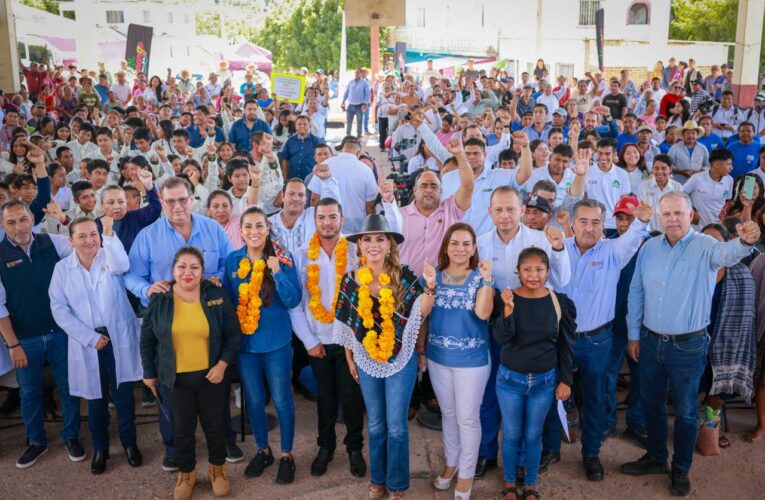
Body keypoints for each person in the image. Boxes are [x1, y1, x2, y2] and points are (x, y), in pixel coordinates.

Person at [622, 191, 760, 496]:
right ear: (659, 216)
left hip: (688, 346)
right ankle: (657, 457)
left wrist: (747, 241)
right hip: (649, 342)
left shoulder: (706, 245)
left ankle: (680, 467)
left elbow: (729, 254)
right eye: (667, 214)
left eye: (678, 213)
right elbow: (635, 293)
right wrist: (633, 335)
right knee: (651, 404)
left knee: (685, 411)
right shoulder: (648, 249)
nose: (672, 219)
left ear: (691, 215)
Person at [125, 177, 239, 470]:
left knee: (216, 382)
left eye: (182, 199)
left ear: (192, 199)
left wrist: (220, 277)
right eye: (170, 201)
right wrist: (145, 289)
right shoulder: (148, 236)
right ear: (161, 202)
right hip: (168, 320)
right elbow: (131, 275)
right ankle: (173, 448)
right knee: (171, 388)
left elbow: (231, 264)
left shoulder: (212, 228)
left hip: (208, 318)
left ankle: (224, 439)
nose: (177, 206)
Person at [542, 197, 651, 481]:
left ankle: (591, 454)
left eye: (596, 222)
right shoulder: (556, 248)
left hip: (597, 341)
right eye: (583, 221)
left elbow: (637, 233)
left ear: (605, 225)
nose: (589, 228)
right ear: (572, 223)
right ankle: (551, 448)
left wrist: (642, 219)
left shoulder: (615, 251)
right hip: (558, 339)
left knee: (595, 399)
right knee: (553, 396)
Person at [474, 186, 570, 480]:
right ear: (490, 211)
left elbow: (562, 279)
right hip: (495, 326)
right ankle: (488, 452)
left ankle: (529, 458)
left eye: (511, 209)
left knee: (536, 396)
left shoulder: (540, 239)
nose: (505, 215)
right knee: (490, 393)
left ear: (522, 211)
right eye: (499, 209)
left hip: (534, 330)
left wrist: (558, 248)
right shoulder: (480, 243)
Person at [333, 214, 424, 499]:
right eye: (367, 239)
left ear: (389, 245)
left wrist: (420, 351)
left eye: (380, 239)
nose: (373, 244)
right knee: (374, 423)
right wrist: (350, 359)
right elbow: (347, 324)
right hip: (365, 358)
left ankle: (397, 484)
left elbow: (422, 316)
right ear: (359, 245)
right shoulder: (350, 281)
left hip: (401, 358)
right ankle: (378, 479)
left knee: (396, 426)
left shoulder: (405, 277)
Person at [141, 246, 241, 500]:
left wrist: (222, 365)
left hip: (212, 377)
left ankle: (218, 471)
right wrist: (149, 373)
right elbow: (147, 340)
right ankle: (187, 474)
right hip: (175, 380)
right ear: (173, 271)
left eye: (194, 267)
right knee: (182, 430)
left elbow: (233, 335)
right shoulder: (160, 298)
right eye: (182, 267)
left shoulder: (215, 294)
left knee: (215, 426)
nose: (188, 272)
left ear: (202, 271)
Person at [48, 216, 142, 474]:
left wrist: (109, 236)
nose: (89, 240)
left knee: (123, 396)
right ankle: (101, 448)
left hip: (117, 338)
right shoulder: (62, 269)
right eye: (82, 236)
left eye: (93, 234)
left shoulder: (109, 255)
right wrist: (89, 337)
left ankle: (130, 444)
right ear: (71, 240)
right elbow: (59, 309)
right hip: (88, 343)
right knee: (96, 399)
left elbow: (122, 264)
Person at [0, 200, 85, 469]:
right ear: (3, 225)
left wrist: (63, 219)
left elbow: (84, 243)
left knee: (68, 387)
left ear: (32, 218)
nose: (18, 226)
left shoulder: (54, 243)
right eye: (11, 222)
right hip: (24, 339)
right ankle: (36, 440)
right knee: (28, 392)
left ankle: (71, 436)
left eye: (23, 219)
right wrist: (13, 344)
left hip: (61, 332)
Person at [288, 197, 368, 478]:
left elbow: (366, 298)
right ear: (315, 220)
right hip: (319, 341)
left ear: (342, 219)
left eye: (333, 217)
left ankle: (355, 449)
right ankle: (326, 448)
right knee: (326, 399)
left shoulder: (358, 251)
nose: (327, 222)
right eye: (321, 217)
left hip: (351, 342)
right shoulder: (301, 254)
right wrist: (309, 341)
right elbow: (296, 303)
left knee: (352, 398)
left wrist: (358, 339)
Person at [222, 207, 302, 484]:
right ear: (240, 231)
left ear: (268, 228)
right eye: (248, 227)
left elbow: (293, 300)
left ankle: (287, 455)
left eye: (259, 226)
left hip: (277, 342)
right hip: (246, 345)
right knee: (253, 400)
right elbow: (229, 301)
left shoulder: (283, 257)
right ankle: (263, 449)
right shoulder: (233, 261)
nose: (254, 232)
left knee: (281, 399)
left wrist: (278, 272)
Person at [493, 247, 575, 500]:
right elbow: (500, 339)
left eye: (539, 269)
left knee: (532, 434)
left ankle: (530, 485)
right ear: (518, 271)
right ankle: (509, 484)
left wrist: (565, 380)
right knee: (512, 433)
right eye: (527, 269)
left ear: (548, 271)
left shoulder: (559, 302)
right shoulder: (506, 298)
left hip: (544, 381)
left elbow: (565, 344)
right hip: (510, 380)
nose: (533, 275)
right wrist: (507, 312)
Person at [420, 223, 495, 500]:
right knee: (448, 414)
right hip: (439, 358)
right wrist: (421, 351)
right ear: (446, 247)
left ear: (474, 248)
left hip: (472, 360)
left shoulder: (481, 278)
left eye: (466, 244)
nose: (460, 249)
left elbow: (484, 313)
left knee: (467, 417)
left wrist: (487, 280)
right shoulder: (433, 277)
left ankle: (466, 474)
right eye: (455, 243)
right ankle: (451, 463)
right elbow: (424, 317)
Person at [398, 138, 473, 275]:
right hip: (406, 287)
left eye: (434, 186)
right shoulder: (399, 215)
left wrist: (460, 154)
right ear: (415, 190)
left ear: (441, 191)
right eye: (424, 186)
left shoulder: (451, 209)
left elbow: (468, 186)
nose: (428, 190)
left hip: (443, 286)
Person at [683, 147, 734, 228]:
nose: (731, 168)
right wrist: (691, 209)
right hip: (697, 227)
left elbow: (728, 201)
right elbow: (682, 194)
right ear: (717, 164)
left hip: (718, 227)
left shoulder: (730, 180)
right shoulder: (696, 178)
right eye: (728, 164)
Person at [341, 68, 371, 138]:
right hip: (351, 105)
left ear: (361, 74)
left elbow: (367, 94)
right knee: (349, 121)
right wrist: (343, 101)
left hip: (360, 105)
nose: (356, 74)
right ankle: (348, 135)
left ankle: (359, 135)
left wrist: (365, 104)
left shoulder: (365, 83)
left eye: (358, 73)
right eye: (355, 73)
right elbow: (346, 92)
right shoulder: (351, 82)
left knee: (359, 121)